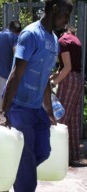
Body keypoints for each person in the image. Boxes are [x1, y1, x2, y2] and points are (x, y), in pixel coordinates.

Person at [0, 0, 73, 192]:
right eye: (66, 14)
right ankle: (22, 186)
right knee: (26, 162)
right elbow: (16, 73)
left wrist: (48, 109)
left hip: (36, 107)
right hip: (19, 105)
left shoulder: (53, 39)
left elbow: (45, 77)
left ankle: (8, 174)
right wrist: (3, 111)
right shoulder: (31, 34)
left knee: (43, 152)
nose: (67, 20)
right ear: (54, 9)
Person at [51, 25, 87, 167]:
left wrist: (54, 83)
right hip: (78, 79)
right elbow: (68, 66)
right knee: (73, 120)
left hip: (69, 80)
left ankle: (55, 156)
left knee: (60, 117)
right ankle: (74, 157)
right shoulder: (75, 39)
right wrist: (54, 76)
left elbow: (67, 67)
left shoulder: (63, 41)